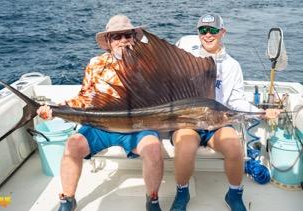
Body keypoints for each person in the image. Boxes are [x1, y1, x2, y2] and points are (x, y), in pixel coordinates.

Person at [37, 14, 164, 211]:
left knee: (154, 148)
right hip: (100, 126)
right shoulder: (96, 64)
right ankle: (67, 200)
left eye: (127, 35)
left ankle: (152, 199)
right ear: (108, 42)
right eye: (116, 37)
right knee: (73, 145)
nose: (123, 41)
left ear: (134, 37)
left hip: (136, 127)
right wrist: (55, 109)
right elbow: (84, 99)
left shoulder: (149, 65)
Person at [170, 13, 280, 211]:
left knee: (234, 147)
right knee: (184, 147)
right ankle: (182, 192)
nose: (208, 35)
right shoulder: (187, 58)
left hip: (218, 122)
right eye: (203, 30)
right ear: (198, 33)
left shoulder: (232, 66)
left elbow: (236, 100)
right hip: (189, 121)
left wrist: (261, 113)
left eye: (213, 30)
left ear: (222, 32)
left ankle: (234, 194)